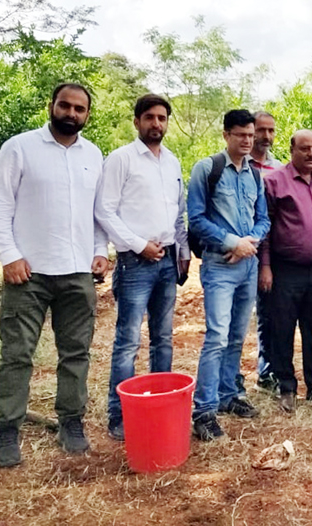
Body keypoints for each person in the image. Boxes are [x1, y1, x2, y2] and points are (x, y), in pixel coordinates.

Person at [0, 83, 109, 467]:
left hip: (77, 273)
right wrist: (8, 256)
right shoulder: (19, 147)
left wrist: (100, 251)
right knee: (17, 354)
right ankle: (8, 430)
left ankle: (71, 422)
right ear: (51, 105)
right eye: (65, 106)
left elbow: (98, 211)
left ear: (88, 115)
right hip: (29, 272)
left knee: (76, 354)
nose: (71, 114)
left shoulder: (93, 154)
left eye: (79, 109)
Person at [95, 94, 190, 441]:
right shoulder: (120, 159)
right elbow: (104, 211)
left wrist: (182, 251)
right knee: (128, 341)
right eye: (149, 117)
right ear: (136, 122)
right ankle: (119, 415)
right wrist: (139, 245)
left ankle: (160, 405)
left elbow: (178, 211)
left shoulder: (172, 162)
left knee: (163, 339)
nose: (156, 124)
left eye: (162, 118)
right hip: (135, 262)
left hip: (166, 259)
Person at [187, 109, 270, 440]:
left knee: (237, 336)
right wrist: (232, 242)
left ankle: (229, 394)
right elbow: (195, 218)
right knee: (217, 336)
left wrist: (249, 243)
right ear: (226, 135)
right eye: (241, 135)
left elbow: (263, 218)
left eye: (251, 135)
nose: (248, 141)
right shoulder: (208, 169)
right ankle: (204, 410)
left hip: (247, 264)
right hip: (220, 264)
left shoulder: (255, 175)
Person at [259, 130, 312, 412]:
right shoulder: (274, 182)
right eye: (305, 149)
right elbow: (265, 229)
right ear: (292, 149)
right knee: (282, 328)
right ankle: (286, 387)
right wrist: (265, 265)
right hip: (286, 268)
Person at [249, 111, 285, 393]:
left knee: (268, 314)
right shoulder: (235, 164)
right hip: (236, 249)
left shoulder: (280, 169)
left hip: (268, 249)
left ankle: (267, 370)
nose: (267, 136)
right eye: (261, 130)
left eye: (271, 130)